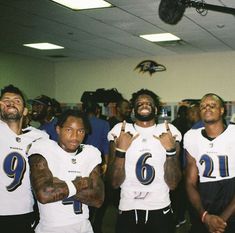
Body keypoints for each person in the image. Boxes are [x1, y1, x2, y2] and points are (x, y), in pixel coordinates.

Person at [108, 89, 182, 233]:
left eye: (149, 103)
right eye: (139, 103)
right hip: (128, 207)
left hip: (160, 207)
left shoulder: (169, 130)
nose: (144, 105)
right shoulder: (121, 130)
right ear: (133, 110)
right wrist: (121, 151)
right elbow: (113, 183)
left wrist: (170, 151)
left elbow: (173, 184)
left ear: (155, 109)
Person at [28, 109, 105, 233]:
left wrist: (58, 184)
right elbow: (44, 195)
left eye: (80, 131)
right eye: (69, 130)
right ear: (58, 129)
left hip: (83, 226)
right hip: (52, 228)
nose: (75, 136)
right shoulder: (42, 149)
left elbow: (98, 199)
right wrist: (80, 184)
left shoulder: (91, 153)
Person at [0, 84, 48, 233]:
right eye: (6, 100)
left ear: (25, 111)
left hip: (24, 209)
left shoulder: (40, 137)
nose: (11, 103)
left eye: (17, 101)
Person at [184, 93, 235, 233]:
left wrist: (222, 219)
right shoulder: (191, 137)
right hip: (205, 206)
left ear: (222, 110)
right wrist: (205, 216)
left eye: (212, 105)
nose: (207, 108)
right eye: (203, 106)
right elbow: (190, 182)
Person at [171, 105, 191, 228]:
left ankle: (177, 218)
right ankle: (181, 217)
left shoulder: (173, 124)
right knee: (183, 193)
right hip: (186, 163)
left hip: (174, 161)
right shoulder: (189, 125)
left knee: (175, 194)